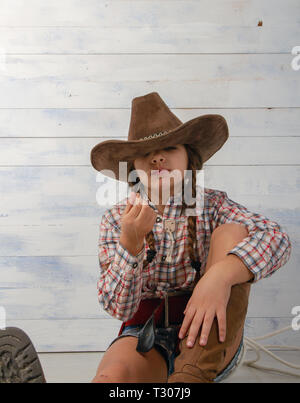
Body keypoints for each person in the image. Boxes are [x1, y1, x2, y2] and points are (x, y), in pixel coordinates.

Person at [89, 92, 292, 383]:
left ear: (189, 158)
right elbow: (118, 308)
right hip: (144, 336)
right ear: (133, 168)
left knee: (233, 232)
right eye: (146, 153)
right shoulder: (117, 219)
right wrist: (130, 245)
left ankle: (190, 376)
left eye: (169, 148)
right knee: (112, 378)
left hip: (209, 334)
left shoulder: (213, 205)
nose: (157, 157)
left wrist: (218, 276)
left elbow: (276, 238)